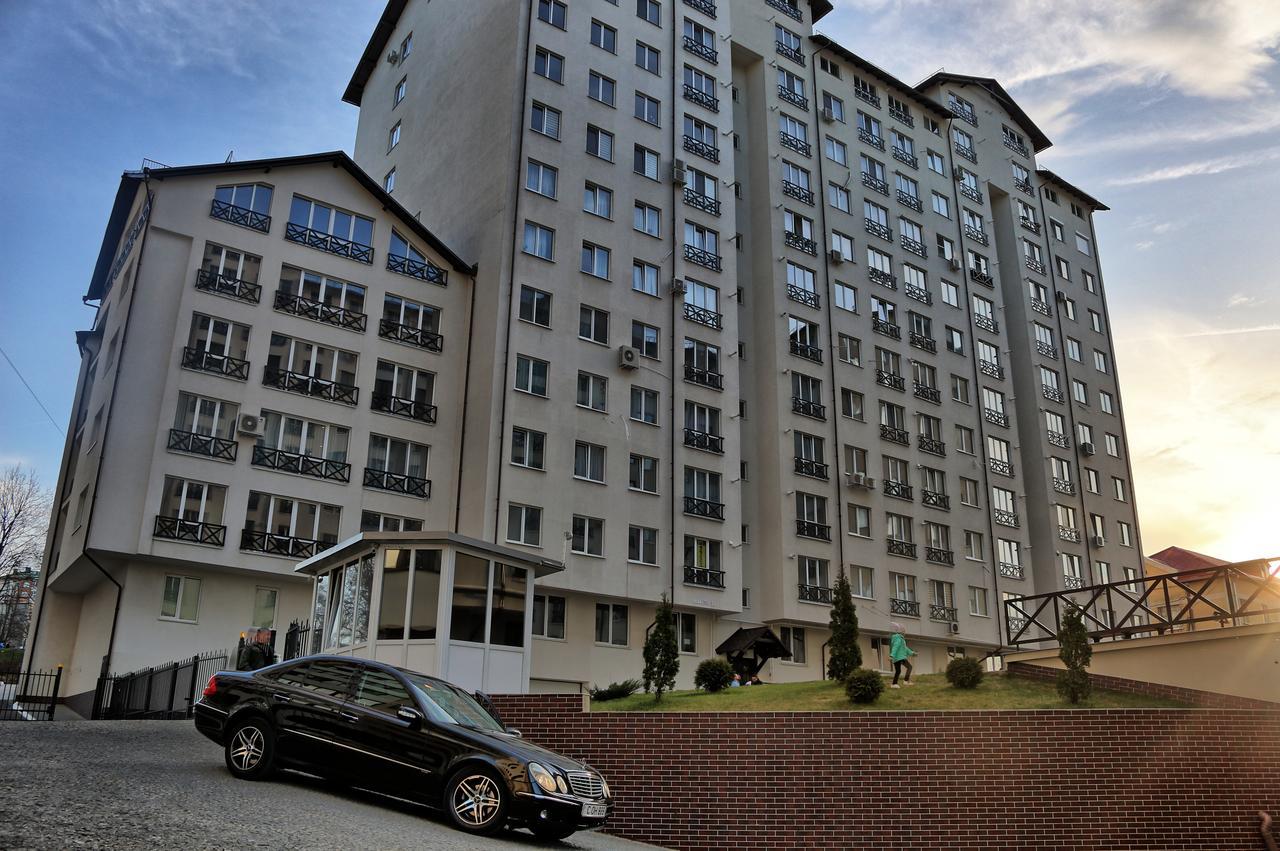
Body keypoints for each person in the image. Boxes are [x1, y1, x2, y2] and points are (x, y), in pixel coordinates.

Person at [888, 623, 916, 689]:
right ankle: (895, 684)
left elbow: (905, 648)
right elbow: (895, 647)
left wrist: (912, 653)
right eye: (904, 631)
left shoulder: (901, 639)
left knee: (907, 668)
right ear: (902, 632)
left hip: (901, 657)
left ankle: (904, 681)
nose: (905, 632)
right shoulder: (898, 638)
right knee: (901, 670)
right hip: (899, 658)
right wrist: (891, 655)